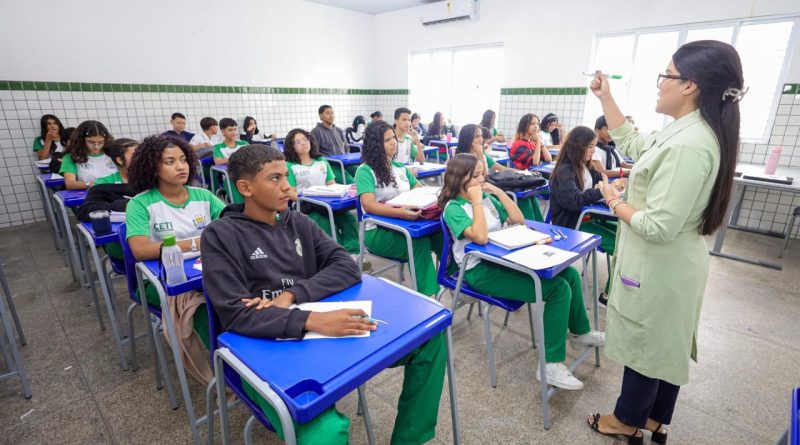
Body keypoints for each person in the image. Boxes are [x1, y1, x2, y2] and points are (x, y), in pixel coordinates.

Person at [201, 144, 447, 445]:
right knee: (326, 431)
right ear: (245, 188)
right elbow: (237, 314)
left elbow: (347, 267)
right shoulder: (219, 235)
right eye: (275, 179)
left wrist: (292, 295)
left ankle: (409, 439)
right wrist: (311, 320)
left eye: (286, 176)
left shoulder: (298, 222)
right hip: (261, 349)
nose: (287, 186)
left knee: (429, 339)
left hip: (311, 328)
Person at [585, 40, 744, 444]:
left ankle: (625, 421)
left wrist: (615, 201)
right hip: (672, 264)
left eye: (666, 75)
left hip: (661, 264)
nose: (660, 84)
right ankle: (655, 419)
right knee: (663, 341)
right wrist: (606, 97)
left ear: (690, 85)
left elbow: (658, 226)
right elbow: (633, 142)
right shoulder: (687, 131)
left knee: (647, 342)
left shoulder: (689, 145)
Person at [440, 153, 605, 390]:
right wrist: (476, 201)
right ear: (459, 178)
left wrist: (498, 193)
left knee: (568, 274)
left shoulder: (486, 197)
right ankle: (549, 365)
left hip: (502, 260)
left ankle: (579, 333)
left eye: (482, 174)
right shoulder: (454, 208)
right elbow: (481, 237)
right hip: (479, 270)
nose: (481, 179)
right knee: (558, 290)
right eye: (475, 176)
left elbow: (518, 220)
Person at [126, 134, 225, 388]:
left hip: (207, 271)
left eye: (183, 159)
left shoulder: (203, 196)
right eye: (170, 162)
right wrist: (197, 243)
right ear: (152, 167)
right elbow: (140, 250)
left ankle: (245, 361)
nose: (181, 166)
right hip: (165, 279)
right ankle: (222, 377)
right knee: (203, 311)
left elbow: (230, 227)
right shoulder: (140, 203)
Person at [355, 121, 443, 297]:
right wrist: (399, 213)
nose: (394, 142)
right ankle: (427, 297)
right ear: (375, 145)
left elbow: (419, 188)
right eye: (387, 140)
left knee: (440, 235)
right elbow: (368, 204)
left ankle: (457, 281)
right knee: (418, 242)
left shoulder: (400, 167)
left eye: (393, 138)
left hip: (404, 224)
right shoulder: (365, 171)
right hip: (378, 231)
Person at [549, 126, 623, 302]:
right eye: (590, 147)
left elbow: (600, 180)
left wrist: (612, 185)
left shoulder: (584, 165)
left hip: (589, 218)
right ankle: (609, 295)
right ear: (578, 146)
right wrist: (602, 191)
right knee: (621, 247)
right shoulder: (565, 170)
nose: (593, 151)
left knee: (625, 234)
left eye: (594, 146)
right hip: (573, 224)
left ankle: (616, 290)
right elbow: (573, 200)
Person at [284, 128, 359, 255]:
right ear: (292, 147)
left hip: (327, 204)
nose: (303, 143)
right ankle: (338, 256)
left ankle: (353, 254)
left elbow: (331, 185)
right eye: (298, 142)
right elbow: (291, 194)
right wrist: (311, 200)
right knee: (326, 224)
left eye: (305, 139)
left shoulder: (321, 161)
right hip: (306, 206)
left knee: (349, 219)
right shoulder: (290, 165)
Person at [456, 124, 544, 222]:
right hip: (484, 190)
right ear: (467, 139)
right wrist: (480, 154)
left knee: (530, 196)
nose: (481, 139)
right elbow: (483, 177)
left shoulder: (483, 154)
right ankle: (528, 226)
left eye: (481, 136)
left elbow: (501, 168)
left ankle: (538, 226)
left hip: (491, 186)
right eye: (477, 136)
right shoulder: (462, 159)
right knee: (523, 200)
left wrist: (523, 172)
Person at [76, 138, 139, 261]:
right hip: (122, 243)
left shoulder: (152, 180)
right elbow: (85, 211)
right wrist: (118, 206)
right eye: (136, 156)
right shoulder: (103, 184)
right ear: (120, 160)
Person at [59, 120, 117, 190]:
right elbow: (70, 184)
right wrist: (93, 184)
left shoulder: (113, 153)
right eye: (91, 142)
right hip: (89, 193)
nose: (96, 146)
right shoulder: (71, 157)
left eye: (101, 142)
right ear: (81, 140)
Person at [310, 105, 355, 184]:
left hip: (345, 164)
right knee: (351, 181)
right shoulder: (316, 131)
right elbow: (314, 152)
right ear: (321, 116)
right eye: (328, 113)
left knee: (362, 172)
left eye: (332, 113)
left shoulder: (339, 130)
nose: (331, 115)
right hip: (330, 165)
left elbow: (347, 148)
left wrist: (346, 159)